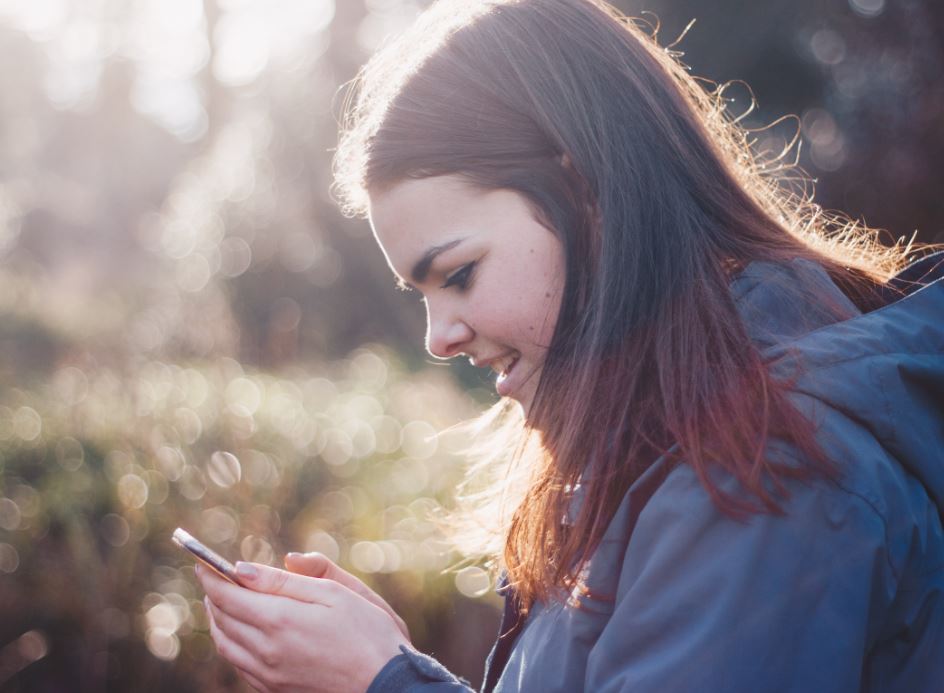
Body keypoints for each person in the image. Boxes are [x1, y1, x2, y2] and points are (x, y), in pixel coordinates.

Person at [195, 0, 944, 690]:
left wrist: (381, 681)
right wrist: (391, 666)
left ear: (586, 191)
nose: (438, 336)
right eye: (421, 294)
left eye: (458, 273)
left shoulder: (765, 468)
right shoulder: (674, 439)